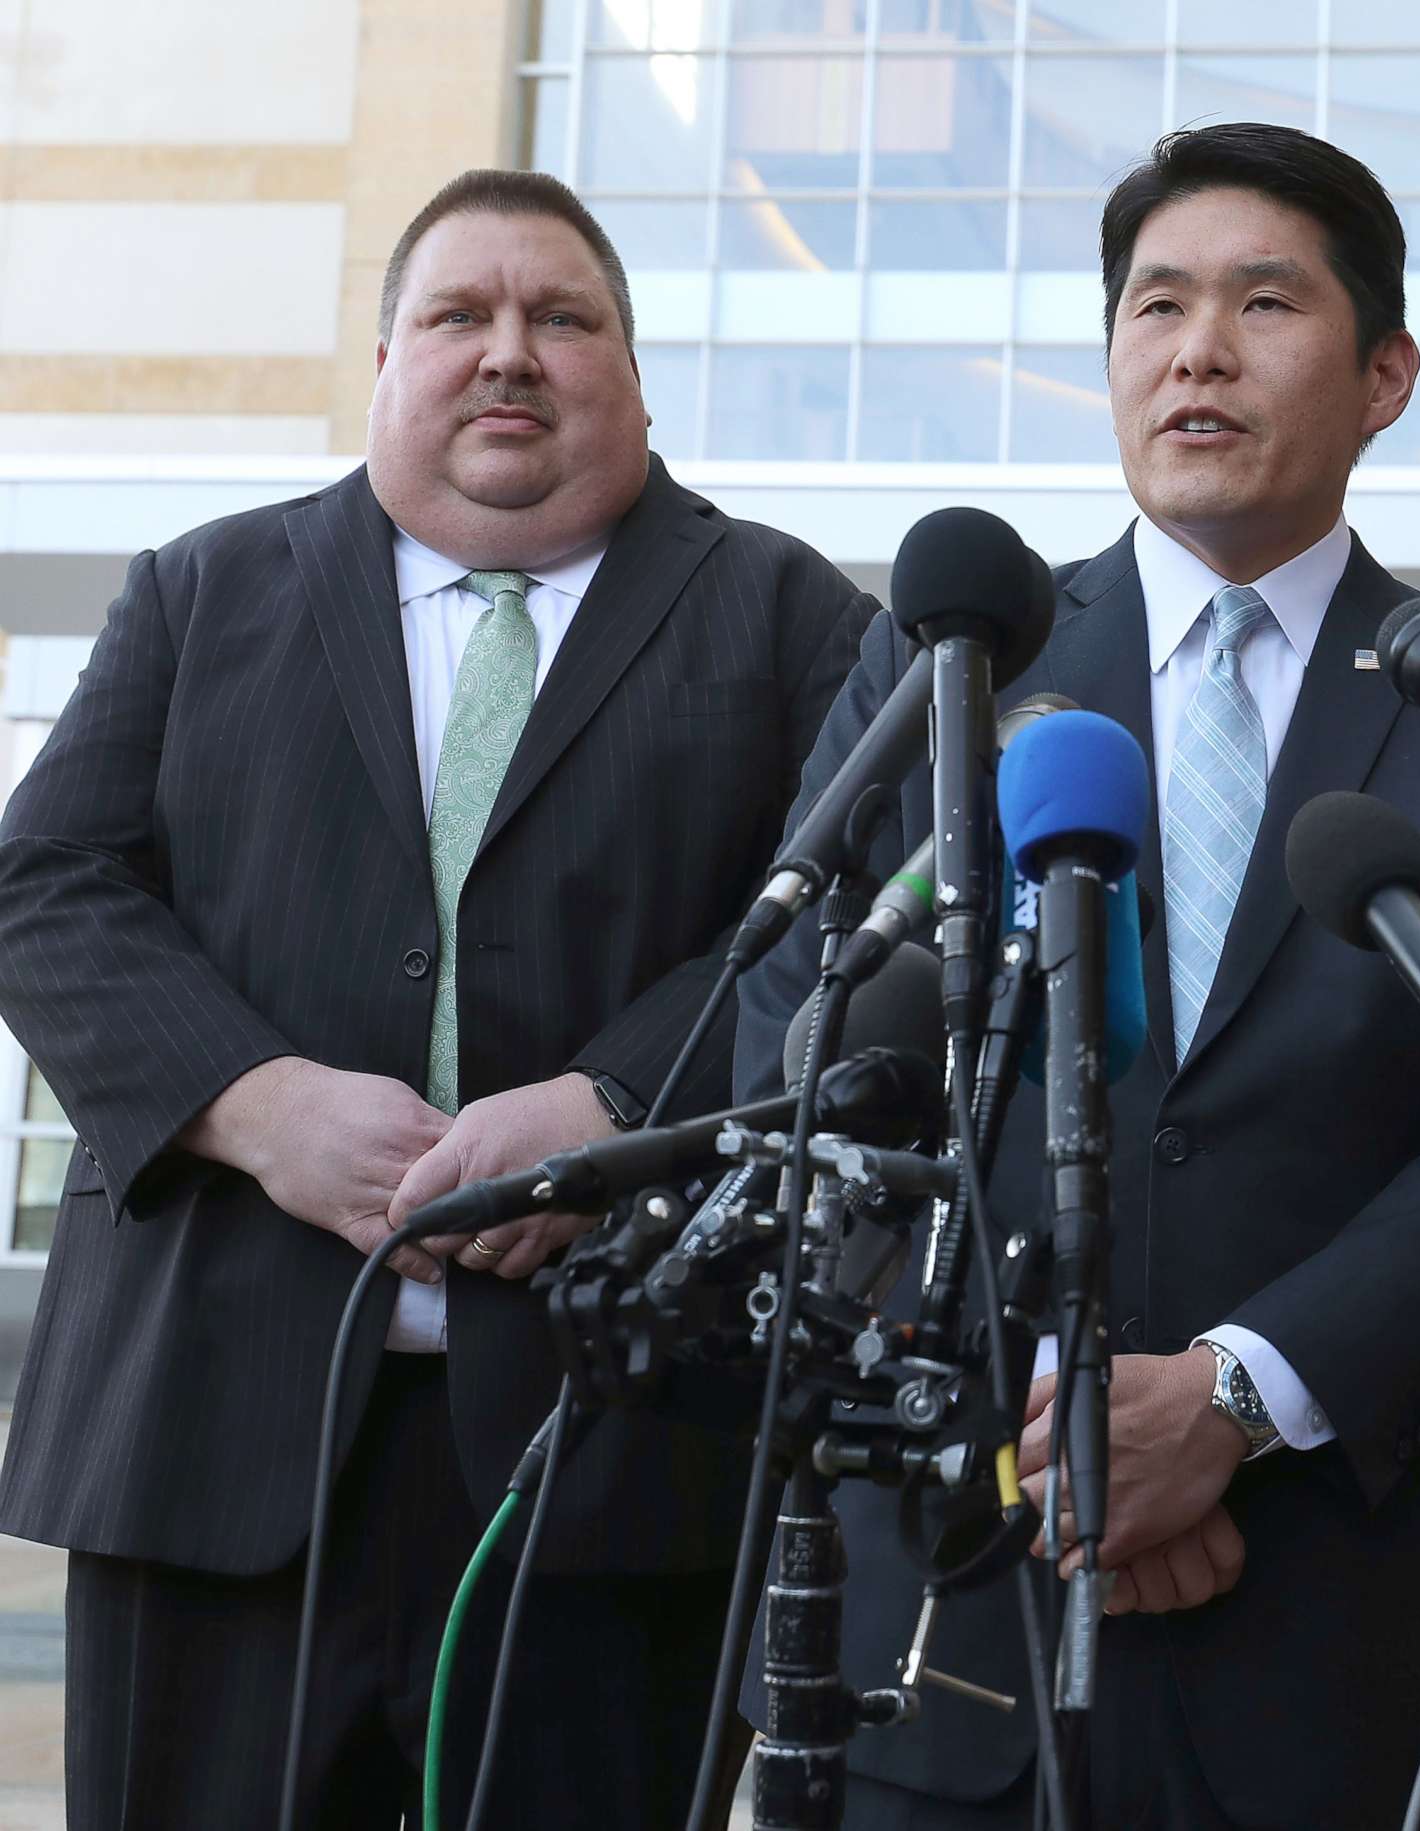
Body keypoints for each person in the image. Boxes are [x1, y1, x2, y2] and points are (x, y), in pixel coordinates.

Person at [736, 123, 1420, 1830]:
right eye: (1156, 307)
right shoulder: (946, 673)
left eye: (1263, 302)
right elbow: (811, 1040)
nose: (1197, 349)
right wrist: (1056, 1442)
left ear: (1384, 375)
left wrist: (1228, 1400)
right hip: (956, 1577)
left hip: (1334, 1616)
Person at [0, 169, 874, 1826]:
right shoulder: (200, 591)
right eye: (458, 316)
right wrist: (255, 1106)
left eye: (564, 318)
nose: (509, 354)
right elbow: (40, 884)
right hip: (216, 1439)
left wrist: (617, 1107)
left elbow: (848, 927)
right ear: (386, 359)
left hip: (615, 1456)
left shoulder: (789, 614)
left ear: (633, 366)